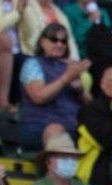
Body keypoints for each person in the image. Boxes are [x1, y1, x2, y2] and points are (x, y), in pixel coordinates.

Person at [19, 22, 89, 150]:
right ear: (42, 41)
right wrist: (65, 79)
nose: (59, 44)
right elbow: (39, 96)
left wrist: (81, 91)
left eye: (63, 41)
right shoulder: (33, 64)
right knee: (56, 130)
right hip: (40, 127)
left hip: (73, 128)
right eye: (54, 40)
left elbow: (90, 105)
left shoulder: (71, 67)